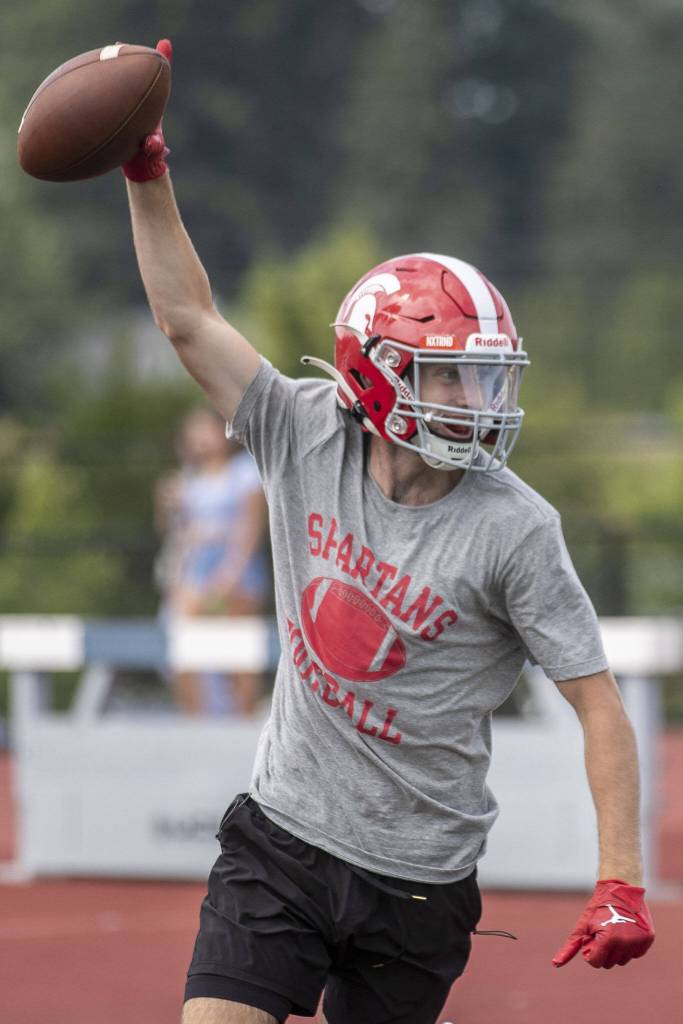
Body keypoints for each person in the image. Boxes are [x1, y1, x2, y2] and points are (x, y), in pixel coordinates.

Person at [122, 39, 655, 1024]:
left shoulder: (514, 526)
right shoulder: (298, 430)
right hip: (280, 838)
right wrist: (145, 171)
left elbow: (598, 705)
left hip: (418, 877)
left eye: (486, 374)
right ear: (371, 371)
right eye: (448, 372)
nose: (475, 397)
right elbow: (187, 317)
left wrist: (618, 874)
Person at [154, 407, 268, 715]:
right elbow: (173, 533)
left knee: (237, 658)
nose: (200, 438)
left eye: (205, 430)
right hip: (195, 571)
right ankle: (196, 721)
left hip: (237, 573)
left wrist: (230, 574)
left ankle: (242, 726)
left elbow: (250, 528)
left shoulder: (244, 472)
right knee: (184, 650)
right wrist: (166, 505)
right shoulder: (188, 478)